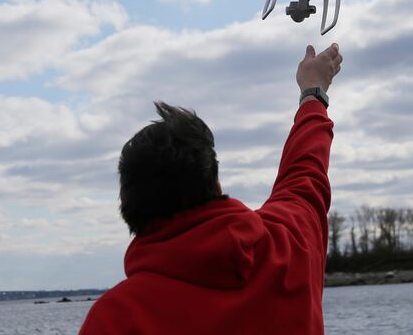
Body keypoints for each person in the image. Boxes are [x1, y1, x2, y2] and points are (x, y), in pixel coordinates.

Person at [79, 43, 343, 335]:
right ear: (215, 186)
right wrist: (313, 92)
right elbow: (305, 173)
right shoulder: (289, 247)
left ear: (126, 205)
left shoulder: (116, 318)